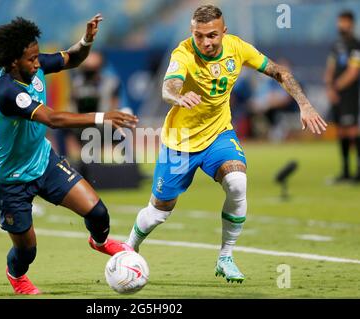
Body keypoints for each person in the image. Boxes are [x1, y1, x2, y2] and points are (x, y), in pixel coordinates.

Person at [125, 5, 327, 283]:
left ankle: (226, 257)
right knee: (158, 213)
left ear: (224, 33)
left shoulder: (237, 48)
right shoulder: (182, 53)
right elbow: (168, 87)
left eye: (212, 36)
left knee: (237, 183)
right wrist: (177, 97)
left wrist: (304, 104)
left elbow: (278, 71)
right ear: (191, 33)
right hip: (180, 142)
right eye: (199, 36)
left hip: (219, 134)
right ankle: (129, 247)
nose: (205, 42)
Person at [0, 14, 137, 295]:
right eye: (31, 59)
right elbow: (53, 119)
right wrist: (102, 117)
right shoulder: (7, 91)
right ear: (12, 62)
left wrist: (87, 40)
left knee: (98, 213)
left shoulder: (35, 64)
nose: (37, 62)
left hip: (44, 162)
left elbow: (73, 58)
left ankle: (99, 241)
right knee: (27, 251)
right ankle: (15, 275)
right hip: (11, 179)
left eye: (36, 56)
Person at [325, 11, 360, 183]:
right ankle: (345, 172)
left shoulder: (355, 45)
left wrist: (336, 87)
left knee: (353, 130)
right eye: (340, 22)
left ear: (351, 23)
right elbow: (330, 67)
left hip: (350, 94)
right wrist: (329, 87)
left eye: (344, 22)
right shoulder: (336, 45)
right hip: (336, 94)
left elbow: (353, 72)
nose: (341, 25)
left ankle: (358, 172)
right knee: (341, 131)